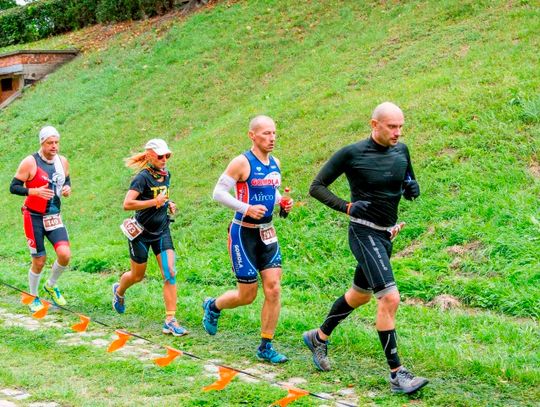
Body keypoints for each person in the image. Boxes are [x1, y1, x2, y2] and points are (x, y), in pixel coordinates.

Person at [303, 102, 428, 394]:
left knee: (359, 296)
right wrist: (346, 207)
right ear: (374, 125)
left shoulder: (402, 150)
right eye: (392, 126)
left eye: (401, 126)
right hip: (363, 232)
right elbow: (316, 186)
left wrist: (412, 189)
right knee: (390, 298)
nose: (398, 132)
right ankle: (397, 375)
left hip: (386, 235)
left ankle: (318, 337)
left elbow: (407, 181)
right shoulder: (352, 153)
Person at [202, 115, 293, 364]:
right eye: (266, 133)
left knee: (274, 289)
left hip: (267, 233)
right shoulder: (241, 162)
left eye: (274, 133)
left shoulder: (275, 162)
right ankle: (213, 306)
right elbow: (218, 193)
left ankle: (266, 346)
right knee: (247, 295)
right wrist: (246, 208)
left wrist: (281, 203)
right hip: (243, 234)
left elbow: (270, 190)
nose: (272, 138)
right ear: (252, 135)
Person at [112, 138, 187, 337]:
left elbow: (161, 196)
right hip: (141, 234)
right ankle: (119, 291)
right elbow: (127, 204)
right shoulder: (142, 178)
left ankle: (170, 320)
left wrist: (168, 203)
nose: (164, 159)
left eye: (167, 155)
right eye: (160, 156)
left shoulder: (166, 174)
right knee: (137, 276)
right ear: (150, 156)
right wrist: (155, 202)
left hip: (161, 231)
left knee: (170, 272)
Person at [10, 126, 72, 312]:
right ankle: (33, 296)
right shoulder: (30, 162)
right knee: (39, 260)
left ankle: (51, 285)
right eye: (50, 143)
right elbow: (13, 187)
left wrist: (67, 188)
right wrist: (33, 191)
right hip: (33, 216)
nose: (54, 146)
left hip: (53, 216)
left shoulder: (62, 161)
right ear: (42, 143)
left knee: (65, 254)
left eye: (56, 142)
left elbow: (66, 180)